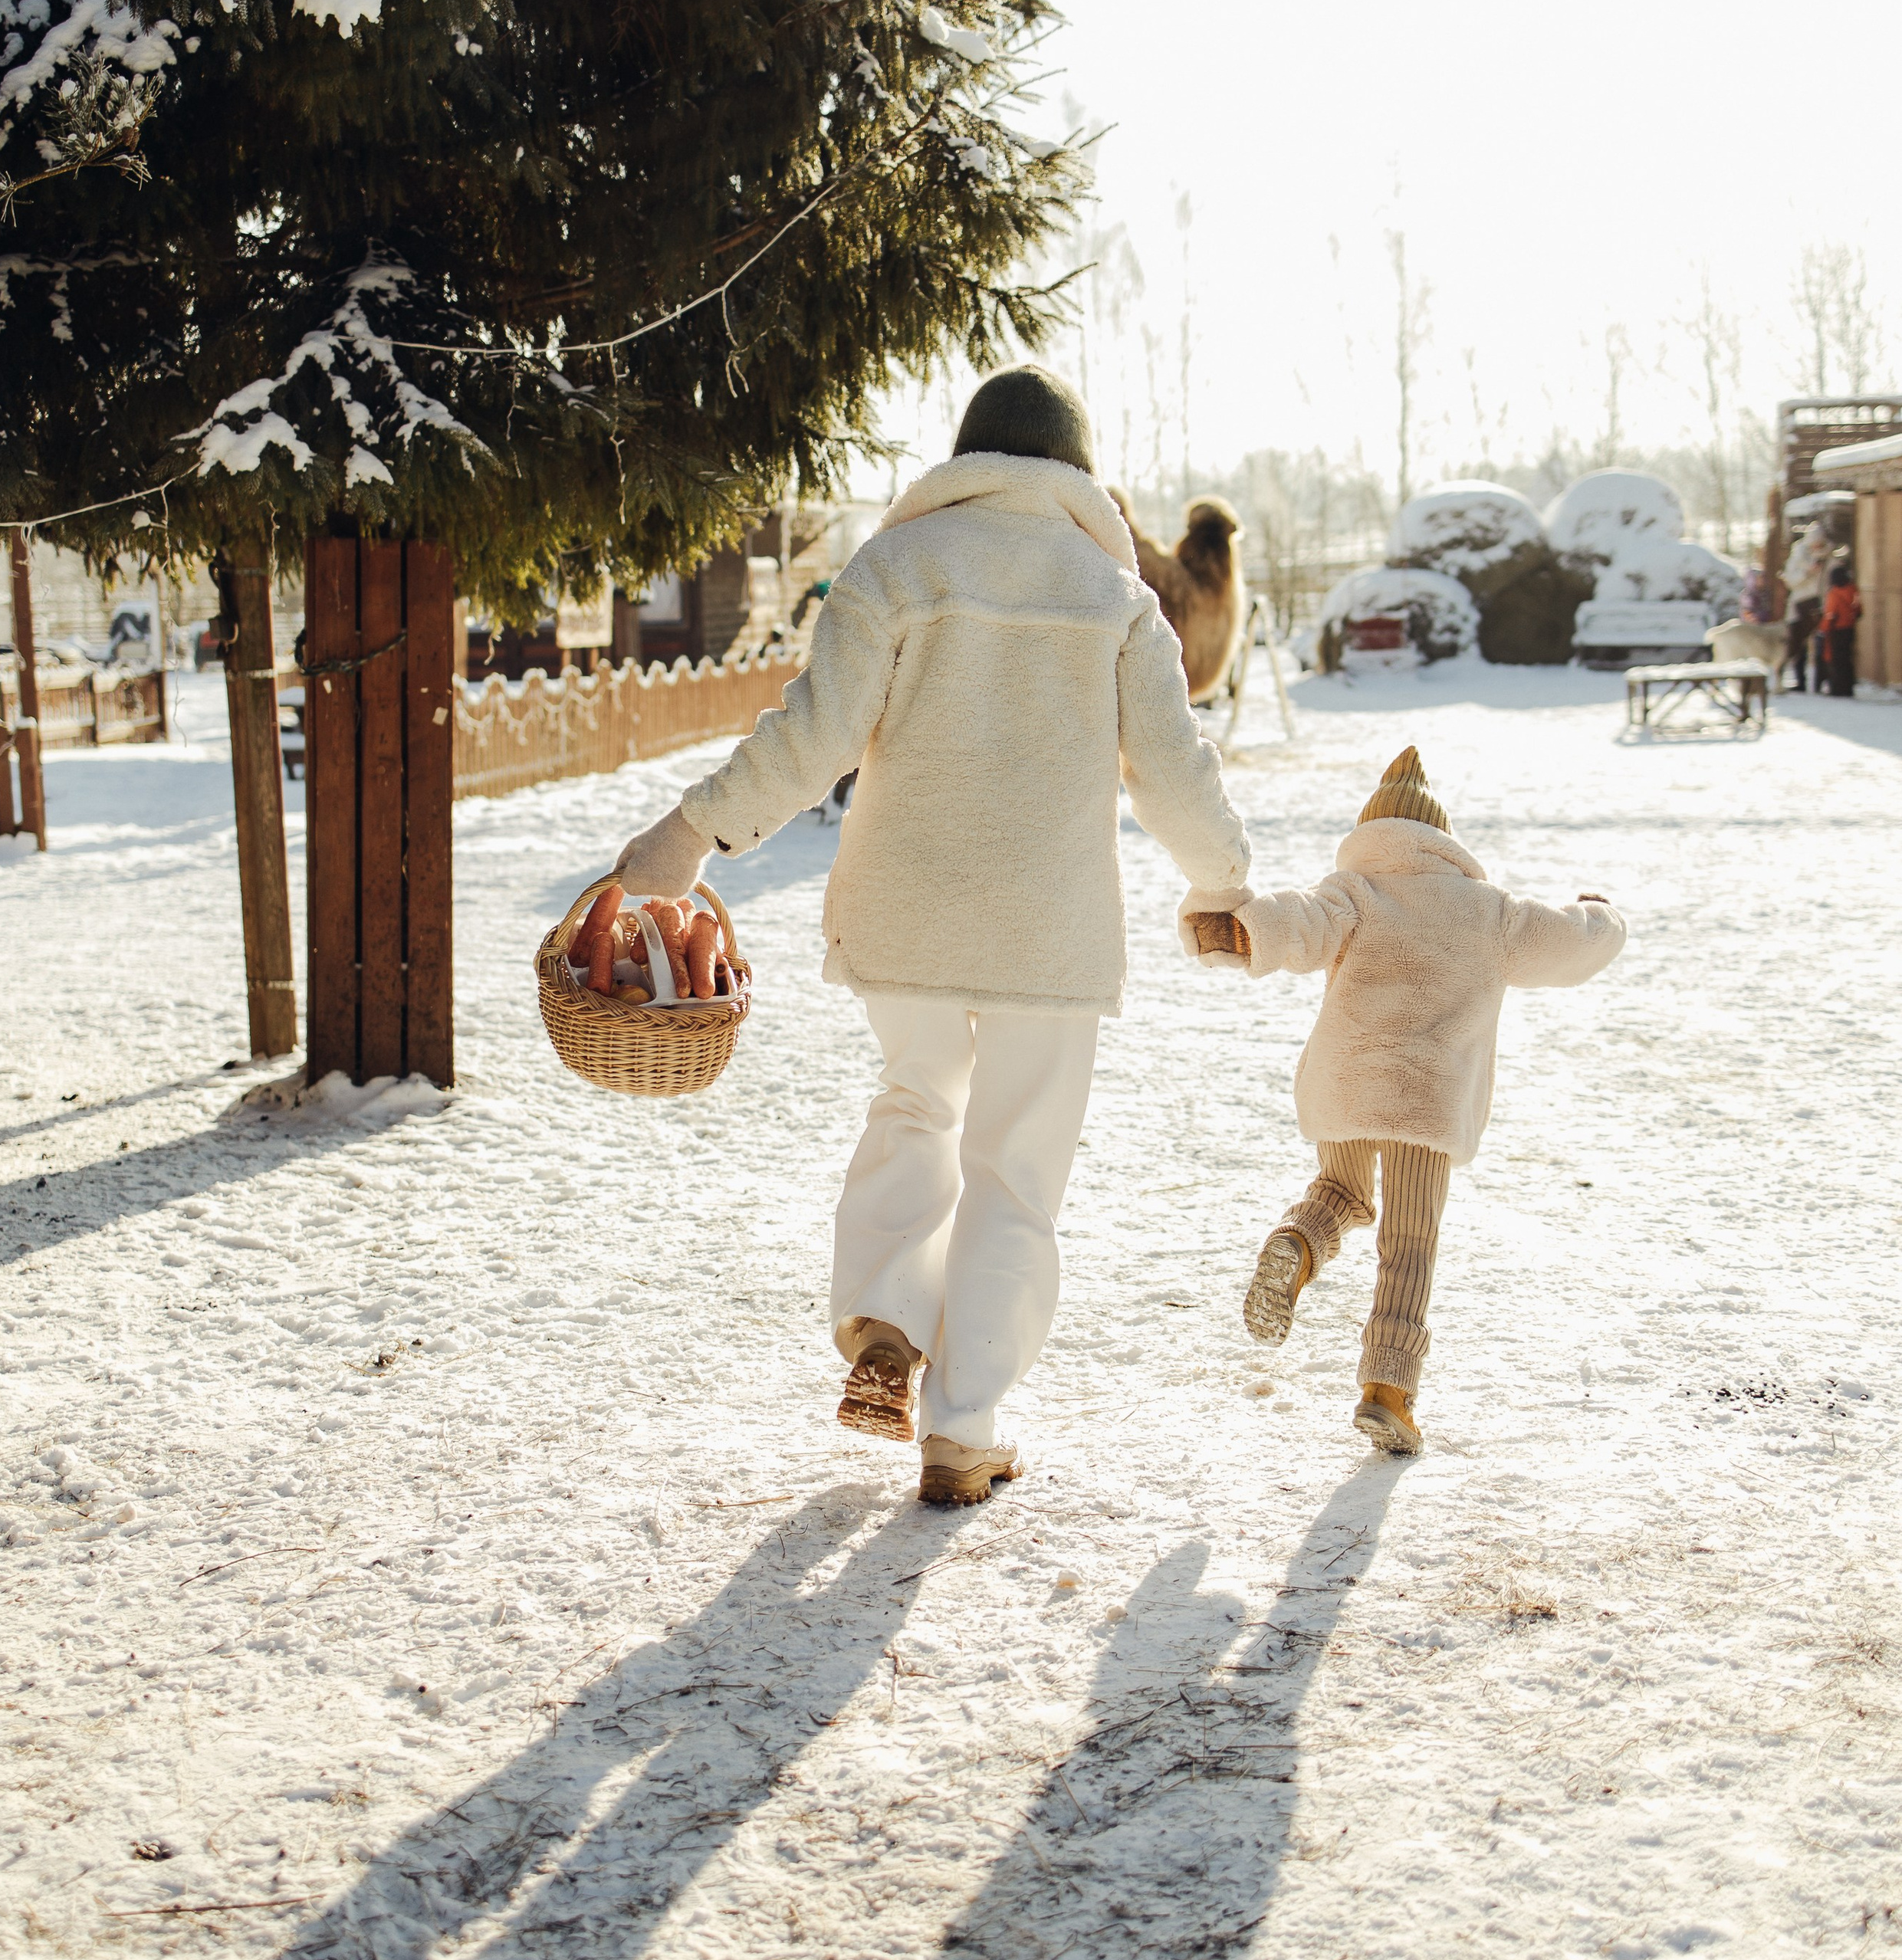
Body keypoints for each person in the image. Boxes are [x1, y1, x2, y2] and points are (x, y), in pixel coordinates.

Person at [610, 364, 1253, 1505]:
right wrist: (1224, 879)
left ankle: (884, 1321)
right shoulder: (1113, 596)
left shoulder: (897, 568)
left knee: (916, 1099)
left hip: (902, 914)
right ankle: (965, 1430)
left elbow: (810, 739)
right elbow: (1172, 770)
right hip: (1047, 938)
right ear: (1076, 474)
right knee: (1016, 1169)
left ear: (967, 461)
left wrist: (692, 832)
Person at [1198, 744, 1624, 1456]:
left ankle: (1299, 1245)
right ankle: (1387, 1392)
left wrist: (1236, 930)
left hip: (1346, 1082)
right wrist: (1600, 916)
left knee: (1341, 1190)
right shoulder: (1491, 912)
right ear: (1441, 841)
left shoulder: (1354, 893)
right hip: (1426, 1101)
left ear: (1372, 839)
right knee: (1408, 1243)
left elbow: (1294, 922)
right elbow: (1569, 943)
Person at [1782, 518, 1833, 692]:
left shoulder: (1828, 556)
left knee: (1821, 643)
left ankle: (1821, 682)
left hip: (1821, 604)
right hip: (1800, 604)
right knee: (1798, 644)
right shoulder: (1799, 556)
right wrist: (1807, 573)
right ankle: (1799, 681)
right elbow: (1790, 580)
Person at [1817, 559, 1861, 698]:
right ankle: (1848, 687)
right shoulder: (1853, 590)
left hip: (1836, 630)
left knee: (1836, 661)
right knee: (1847, 658)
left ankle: (1837, 688)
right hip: (1850, 628)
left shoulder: (1834, 593)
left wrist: (1823, 629)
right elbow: (1859, 609)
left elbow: (1830, 614)